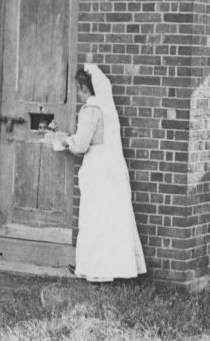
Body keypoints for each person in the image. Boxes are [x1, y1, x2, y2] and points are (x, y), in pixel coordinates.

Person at [57, 63, 146, 282]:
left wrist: (65, 140)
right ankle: (116, 267)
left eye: (78, 89)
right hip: (113, 169)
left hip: (98, 170)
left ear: (82, 88)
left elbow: (80, 145)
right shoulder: (109, 109)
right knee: (112, 218)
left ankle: (94, 268)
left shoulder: (90, 109)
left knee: (94, 218)